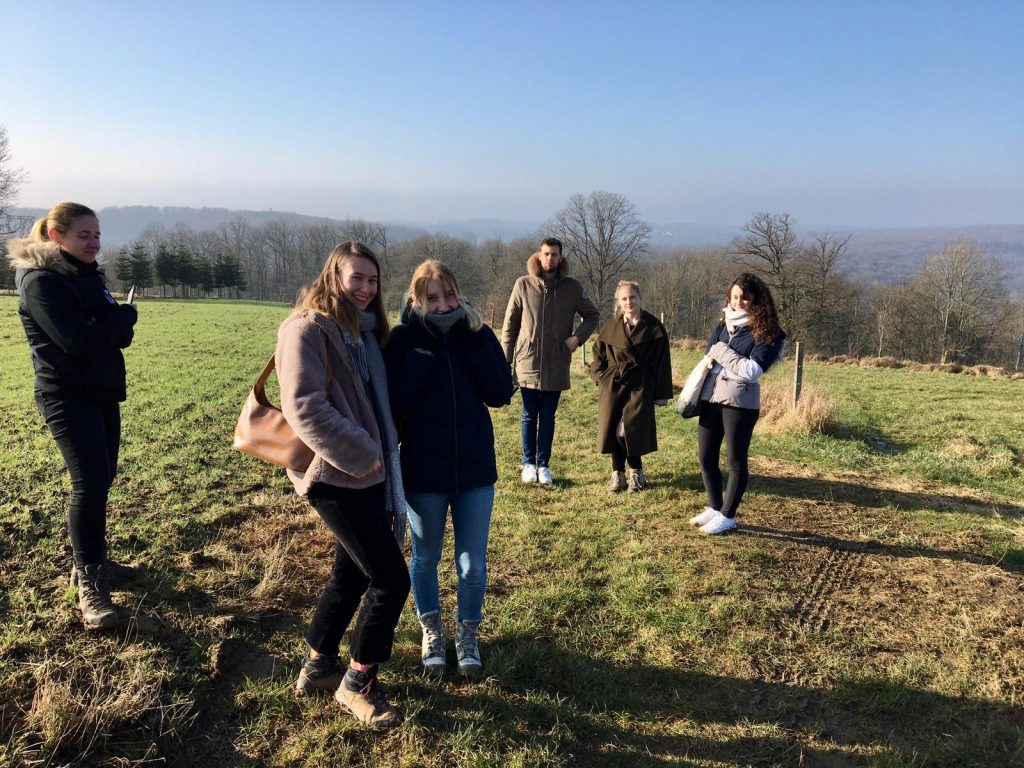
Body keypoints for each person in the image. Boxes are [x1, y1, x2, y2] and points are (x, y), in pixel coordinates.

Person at [276, 241, 410, 729]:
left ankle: (318, 666)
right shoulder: (306, 328)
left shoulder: (365, 333)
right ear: (333, 276)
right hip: (335, 474)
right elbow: (303, 404)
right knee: (391, 579)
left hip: (368, 474)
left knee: (352, 572)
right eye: (356, 278)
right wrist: (365, 452)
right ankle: (358, 682)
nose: (365, 288)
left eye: (373, 281)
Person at [7, 203, 140, 630]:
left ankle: (97, 560)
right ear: (54, 235)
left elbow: (119, 337)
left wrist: (117, 324)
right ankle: (90, 584)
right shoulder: (40, 281)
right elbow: (79, 341)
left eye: (97, 235)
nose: (94, 243)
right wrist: (122, 317)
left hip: (101, 393)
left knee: (103, 479)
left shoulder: (86, 275)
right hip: (66, 398)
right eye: (84, 235)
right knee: (89, 484)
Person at [384, 260, 514, 676]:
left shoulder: (478, 334)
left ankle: (468, 633)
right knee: (425, 557)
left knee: (472, 563)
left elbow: (499, 394)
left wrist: (472, 345)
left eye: (449, 295)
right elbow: (395, 407)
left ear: (459, 293)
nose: (442, 306)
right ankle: (432, 631)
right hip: (424, 472)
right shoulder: (403, 339)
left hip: (475, 470)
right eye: (431, 298)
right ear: (415, 300)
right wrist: (421, 357)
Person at [689, 273, 786, 535]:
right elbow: (711, 351)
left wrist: (721, 351)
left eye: (745, 297)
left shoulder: (769, 332)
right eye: (734, 297)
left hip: (740, 403)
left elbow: (752, 370)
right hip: (711, 397)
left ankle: (728, 516)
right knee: (706, 456)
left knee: (735, 461)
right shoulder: (723, 324)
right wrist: (722, 351)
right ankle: (714, 506)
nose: (738, 302)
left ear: (757, 299)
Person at [500, 237, 599, 485]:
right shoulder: (523, 285)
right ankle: (528, 463)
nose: (550, 259)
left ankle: (544, 465)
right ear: (538, 255)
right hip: (527, 361)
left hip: (556, 361)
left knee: (548, 416)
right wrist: (505, 360)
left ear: (560, 257)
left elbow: (592, 315)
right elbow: (510, 325)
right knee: (528, 415)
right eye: (546, 254)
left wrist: (577, 338)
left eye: (554, 254)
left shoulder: (572, 288)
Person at [589, 281, 673, 493]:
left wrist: (661, 393)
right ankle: (618, 475)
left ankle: (637, 474)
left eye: (632, 297)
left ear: (639, 298)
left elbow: (663, 362)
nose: (629, 302)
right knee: (613, 429)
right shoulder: (612, 326)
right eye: (624, 298)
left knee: (628, 430)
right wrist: (600, 377)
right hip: (614, 385)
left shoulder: (654, 327)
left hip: (640, 385)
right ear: (618, 301)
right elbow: (597, 354)